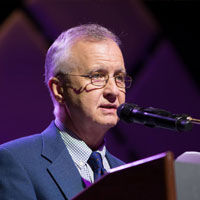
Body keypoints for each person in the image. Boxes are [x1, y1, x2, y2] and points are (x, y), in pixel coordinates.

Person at [0, 24, 132, 199]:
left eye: (119, 78)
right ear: (59, 89)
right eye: (97, 76)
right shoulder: (17, 162)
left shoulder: (129, 174)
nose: (113, 91)